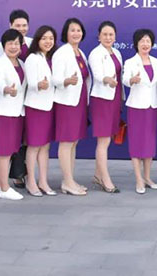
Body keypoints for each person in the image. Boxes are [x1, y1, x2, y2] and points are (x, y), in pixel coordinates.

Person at [122, 28, 157, 194]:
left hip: (153, 107)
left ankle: (147, 177)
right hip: (137, 107)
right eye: (142, 41)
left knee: (149, 143)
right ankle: (138, 179)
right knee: (136, 142)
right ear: (136, 44)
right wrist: (132, 80)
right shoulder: (130, 62)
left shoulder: (156, 61)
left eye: (148, 41)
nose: (145, 44)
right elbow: (125, 80)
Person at [52, 18, 91, 195]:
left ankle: (70, 180)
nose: (76, 33)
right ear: (66, 33)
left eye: (78, 30)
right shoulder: (62, 53)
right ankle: (67, 182)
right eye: (72, 30)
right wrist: (66, 81)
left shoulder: (80, 53)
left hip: (80, 101)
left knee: (74, 142)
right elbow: (55, 79)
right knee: (67, 142)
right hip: (67, 103)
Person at [0, 29, 27, 201]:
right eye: (10, 43)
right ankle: (4, 188)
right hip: (4, 113)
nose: (13, 47)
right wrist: (6, 89)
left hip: (18, 112)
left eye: (16, 43)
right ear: (4, 46)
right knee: (4, 152)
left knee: (11, 150)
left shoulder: (22, 64)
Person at [0, 9, 32, 189]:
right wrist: (6, 89)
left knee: (22, 141)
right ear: (10, 25)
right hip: (8, 104)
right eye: (18, 25)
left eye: (24, 25)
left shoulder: (31, 44)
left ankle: (16, 174)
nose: (21, 28)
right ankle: (7, 181)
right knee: (7, 146)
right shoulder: (3, 49)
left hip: (26, 103)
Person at [88, 21, 125, 193]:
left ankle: (97, 175)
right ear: (99, 36)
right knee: (103, 141)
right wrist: (107, 79)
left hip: (115, 98)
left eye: (111, 34)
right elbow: (97, 75)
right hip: (102, 99)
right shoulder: (95, 53)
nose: (108, 37)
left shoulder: (116, 52)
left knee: (108, 139)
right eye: (105, 34)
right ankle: (106, 180)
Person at [23, 25, 58, 196]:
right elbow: (30, 83)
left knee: (45, 146)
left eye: (51, 38)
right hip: (36, 107)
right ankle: (31, 181)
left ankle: (43, 181)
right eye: (44, 38)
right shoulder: (32, 58)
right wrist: (39, 84)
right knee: (34, 146)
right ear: (37, 40)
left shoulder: (50, 58)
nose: (48, 41)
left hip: (49, 106)